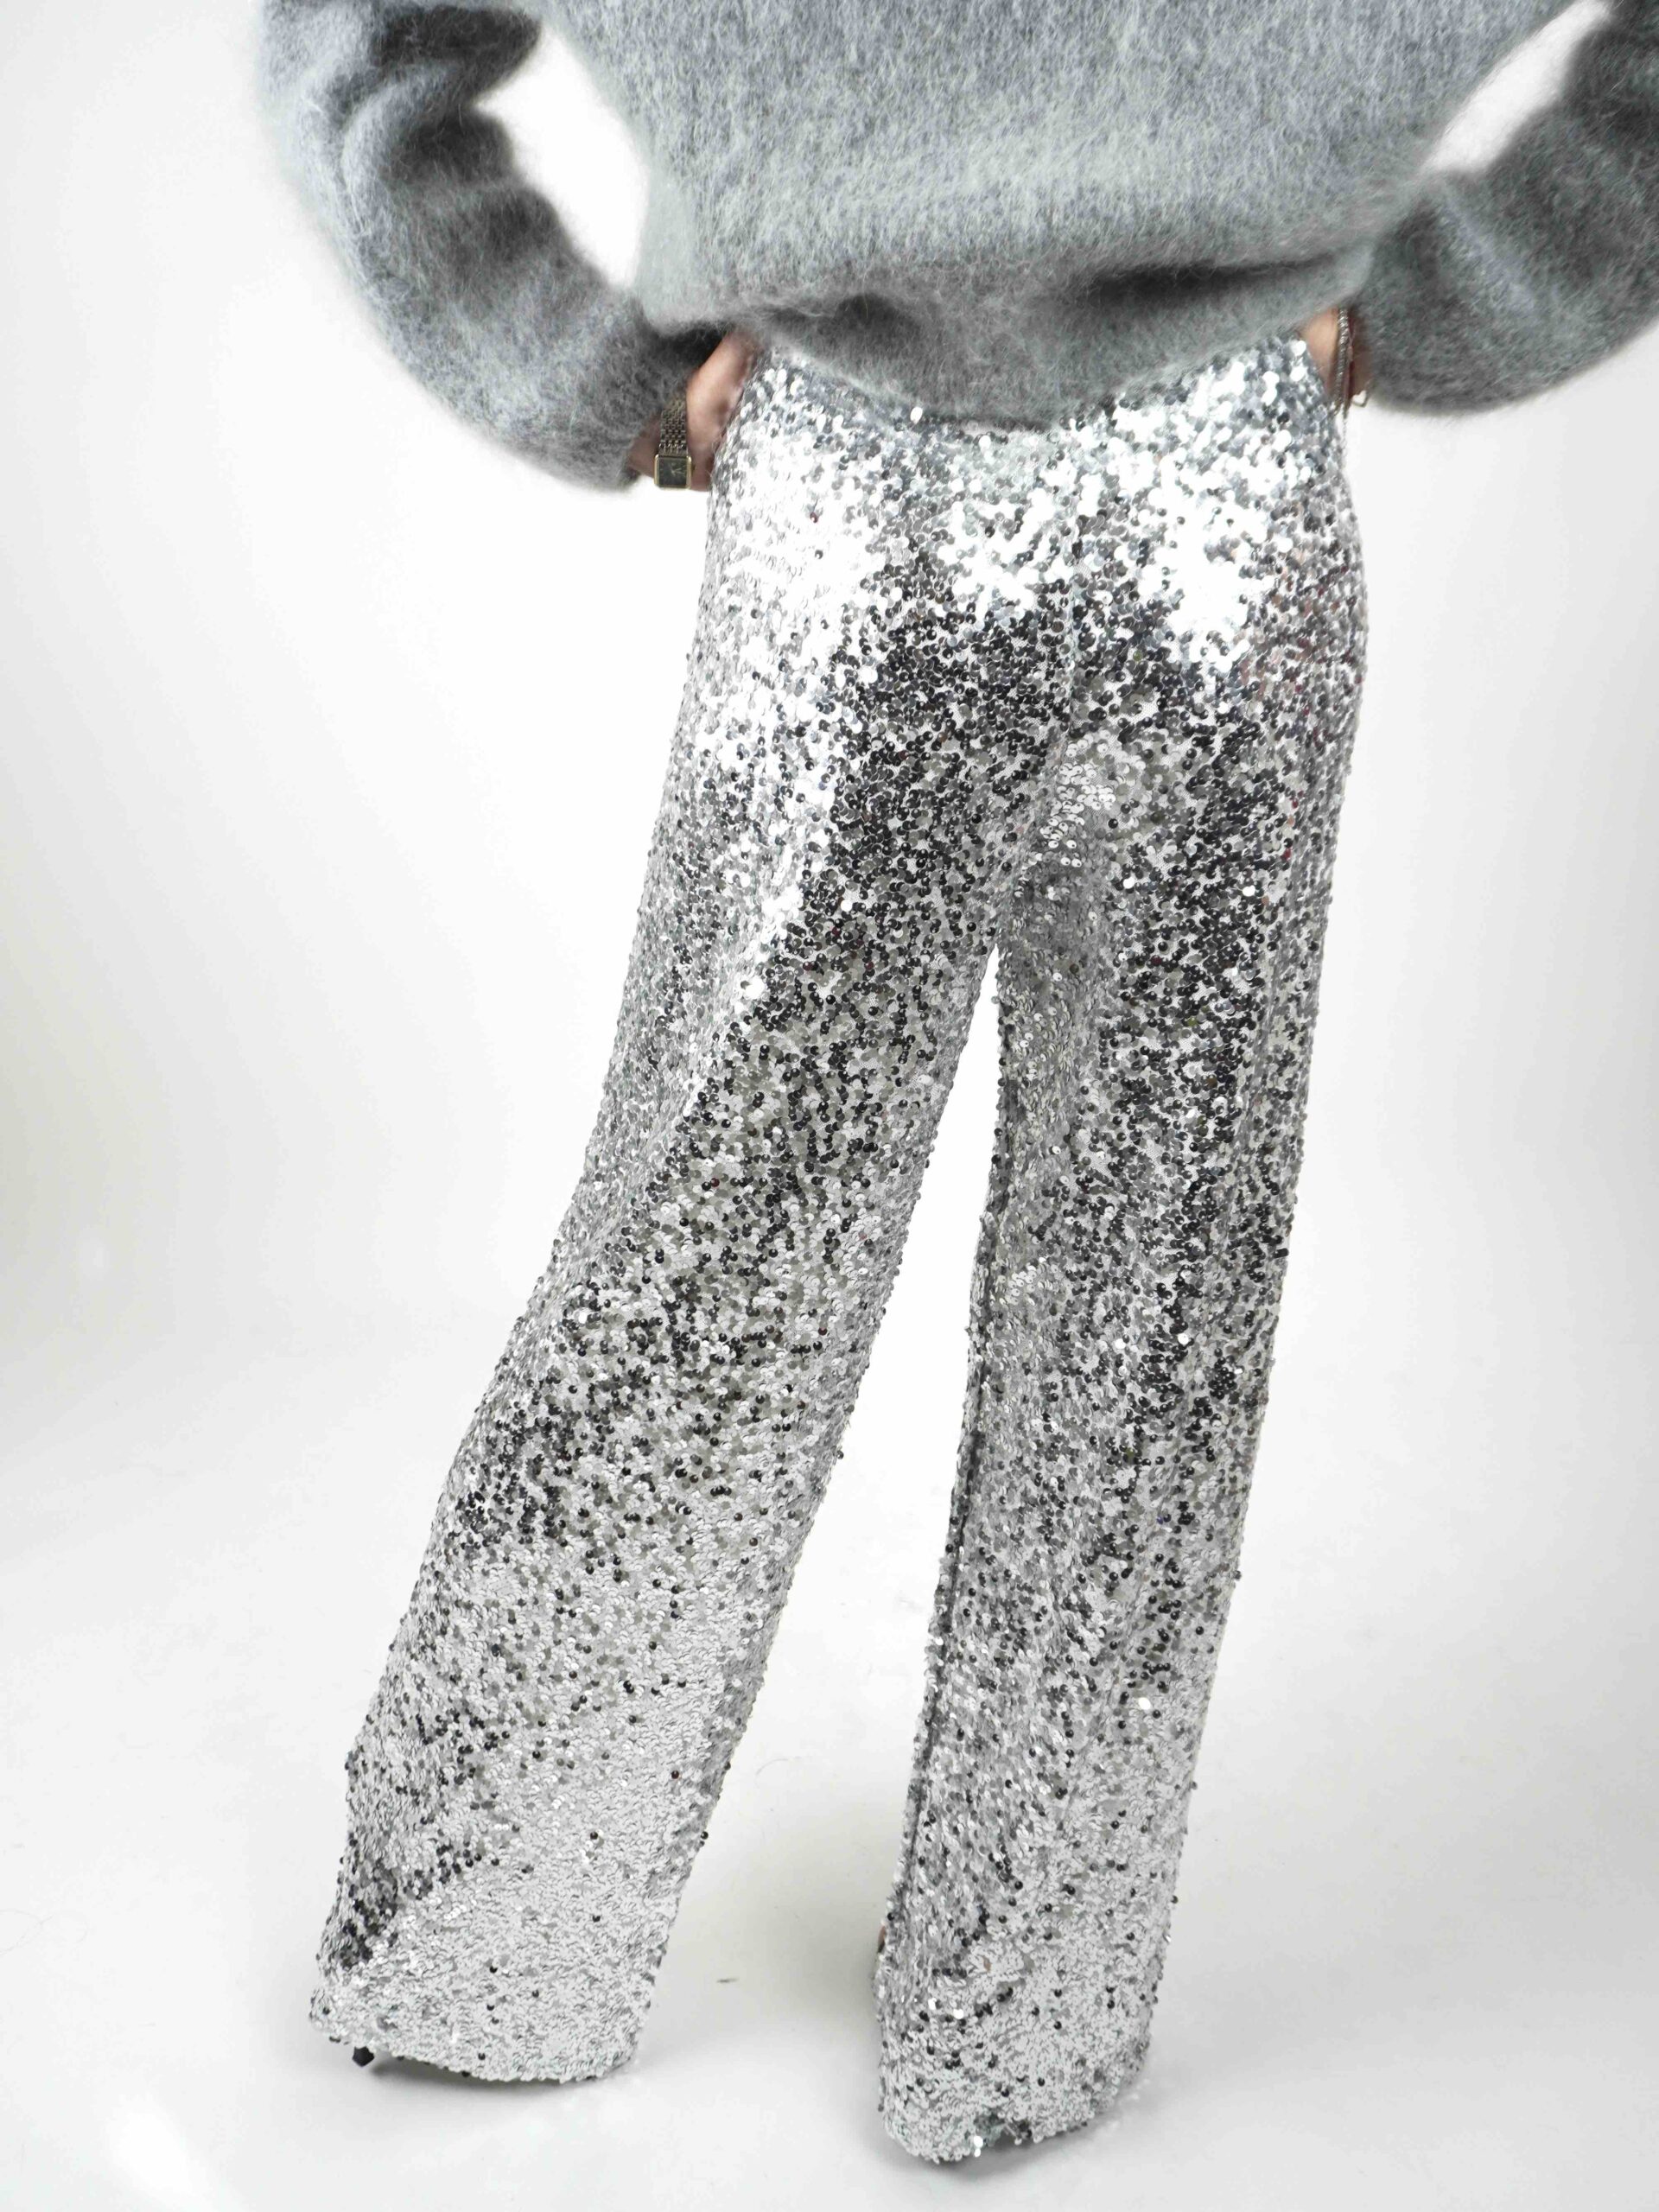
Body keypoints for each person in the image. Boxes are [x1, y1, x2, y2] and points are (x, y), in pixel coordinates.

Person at [257, 0, 1659, 2164]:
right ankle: (1025, 2015)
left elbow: (353, 45)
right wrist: (1455, 292)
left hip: (851, 496)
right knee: (1149, 1307)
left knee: (700, 1267)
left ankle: (478, 1942)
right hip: (1219, 503)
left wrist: (574, 359)